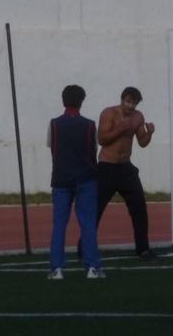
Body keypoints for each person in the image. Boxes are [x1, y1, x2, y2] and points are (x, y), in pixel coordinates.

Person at [79, 86, 157, 262]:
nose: (130, 106)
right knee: (96, 209)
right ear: (122, 100)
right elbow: (102, 139)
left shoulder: (138, 117)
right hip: (107, 166)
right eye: (128, 101)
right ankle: (83, 247)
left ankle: (143, 250)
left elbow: (142, 142)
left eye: (134, 103)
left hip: (126, 168)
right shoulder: (109, 113)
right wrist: (121, 128)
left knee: (139, 208)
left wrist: (150, 133)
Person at [47, 85, 105, 280]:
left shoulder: (54, 124)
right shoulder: (89, 125)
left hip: (61, 178)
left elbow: (53, 149)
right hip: (85, 178)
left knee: (59, 224)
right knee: (88, 224)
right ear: (82, 101)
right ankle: (92, 267)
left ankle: (56, 269)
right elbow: (93, 151)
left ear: (63, 100)